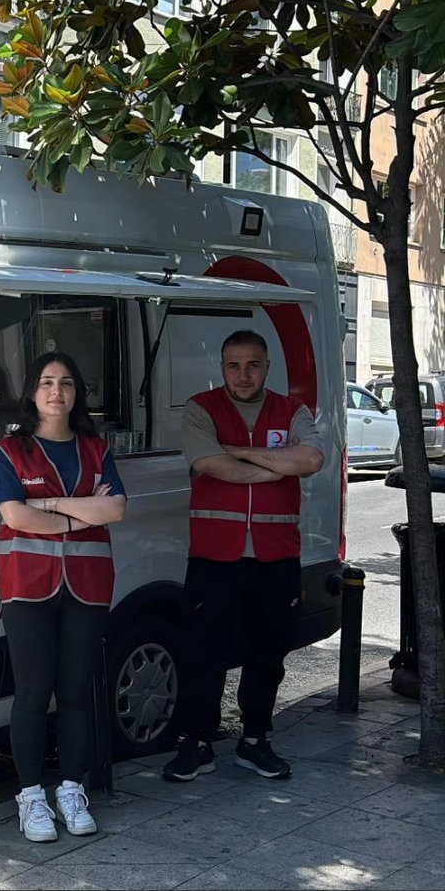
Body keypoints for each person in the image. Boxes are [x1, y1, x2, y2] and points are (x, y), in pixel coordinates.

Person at [163, 330, 325, 783]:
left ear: (267, 366)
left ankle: (255, 740)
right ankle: (197, 743)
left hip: (276, 556)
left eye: (252, 364)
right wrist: (276, 463)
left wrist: (237, 451)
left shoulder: (291, 410)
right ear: (222, 368)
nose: (243, 374)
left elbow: (312, 460)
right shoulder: (202, 408)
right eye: (233, 365)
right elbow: (210, 464)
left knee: (268, 654)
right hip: (215, 555)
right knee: (203, 652)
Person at [0, 352, 128, 842]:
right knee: (32, 692)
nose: (56, 391)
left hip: (87, 584)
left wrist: (49, 505)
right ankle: (31, 796)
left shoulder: (96, 448)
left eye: (67, 382)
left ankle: (71, 789)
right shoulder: (11, 450)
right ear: (32, 392)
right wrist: (81, 514)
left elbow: (116, 509)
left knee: (75, 691)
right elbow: (15, 516)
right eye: (47, 382)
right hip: (28, 585)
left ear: (77, 394)